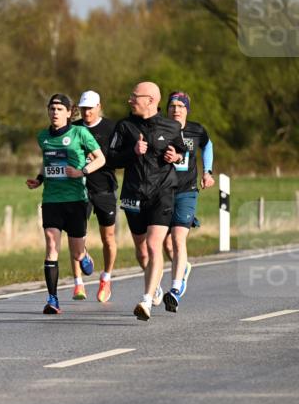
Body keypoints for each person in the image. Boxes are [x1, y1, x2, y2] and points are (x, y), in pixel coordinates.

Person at [106, 82, 186, 321]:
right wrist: (133, 151)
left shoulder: (171, 126)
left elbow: (181, 151)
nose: (130, 100)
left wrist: (176, 155)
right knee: (142, 252)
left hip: (162, 193)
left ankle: (146, 300)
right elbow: (110, 158)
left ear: (150, 100)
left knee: (153, 245)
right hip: (133, 194)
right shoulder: (124, 126)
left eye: (134, 96)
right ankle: (156, 284)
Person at [26, 93, 105, 314]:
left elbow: (101, 158)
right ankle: (53, 299)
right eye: (52, 109)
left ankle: (84, 255)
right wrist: (39, 179)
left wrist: (82, 171)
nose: (55, 113)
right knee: (52, 247)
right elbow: (47, 161)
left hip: (76, 200)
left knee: (77, 255)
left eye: (60, 109)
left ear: (70, 112)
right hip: (52, 199)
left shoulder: (80, 133)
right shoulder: (43, 137)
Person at [161, 91, 214, 312]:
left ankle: (175, 288)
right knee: (164, 243)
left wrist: (208, 171)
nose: (176, 109)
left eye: (180, 106)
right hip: (162, 191)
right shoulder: (160, 129)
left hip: (187, 190)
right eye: (172, 106)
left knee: (178, 237)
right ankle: (182, 269)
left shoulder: (196, 130)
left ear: (187, 109)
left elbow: (208, 146)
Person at [71, 90, 118, 302]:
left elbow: (119, 157)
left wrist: (100, 156)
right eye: (83, 108)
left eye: (90, 108)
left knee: (107, 237)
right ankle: (78, 284)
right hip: (78, 189)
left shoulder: (111, 128)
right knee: (76, 236)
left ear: (99, 106)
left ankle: (106, 278)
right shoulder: (74, 129)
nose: (86, 112)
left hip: (104, 188)